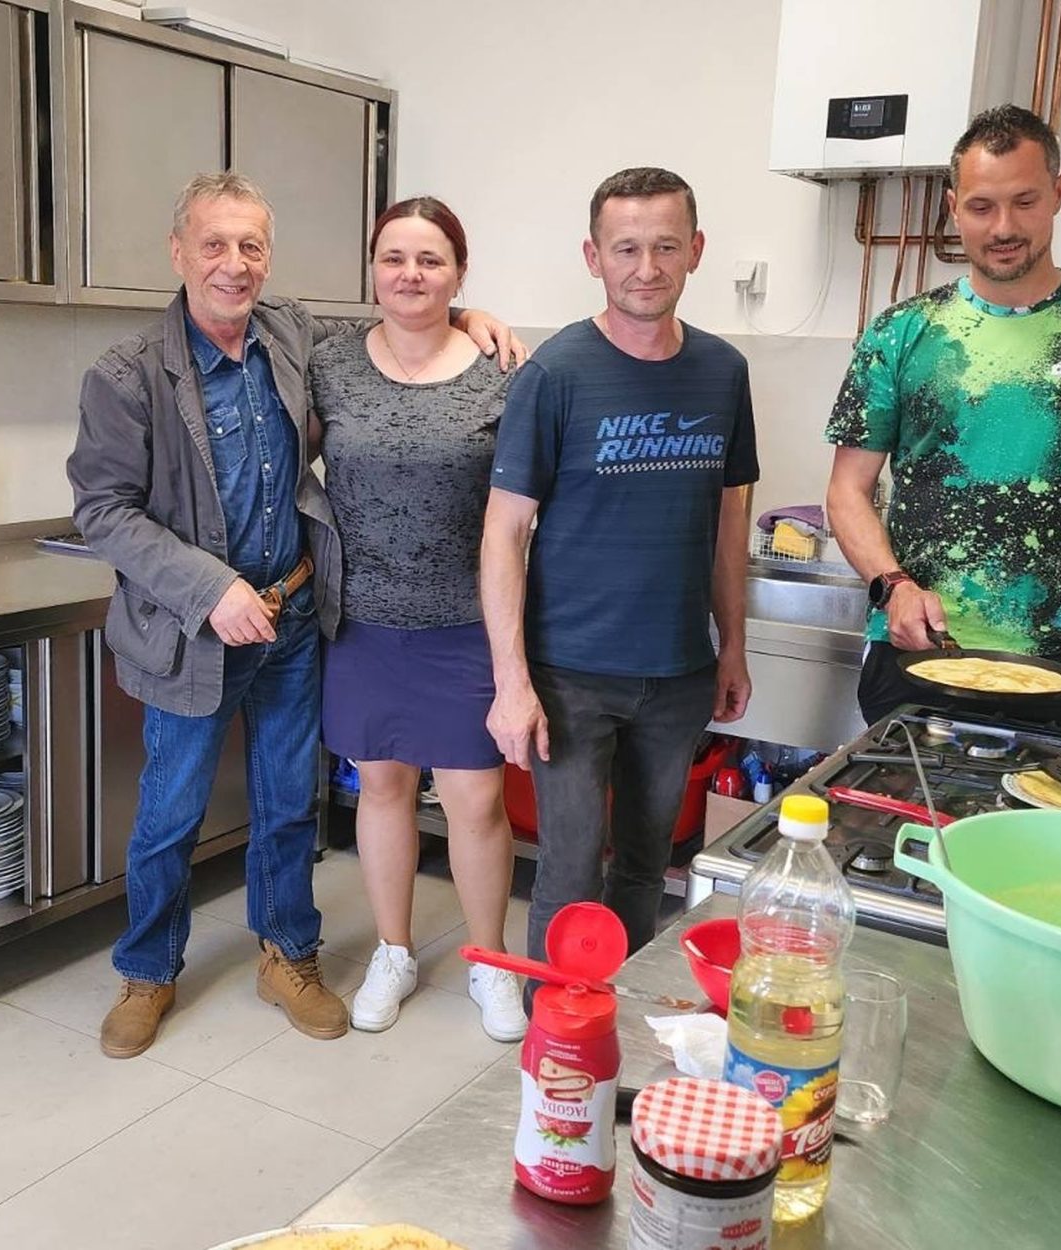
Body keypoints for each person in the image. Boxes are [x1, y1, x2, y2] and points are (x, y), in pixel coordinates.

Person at [68, 171, 520, 1058]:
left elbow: (406, 315)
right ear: (178, 252)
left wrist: (471, 317)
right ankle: (147, 972)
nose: (233, 265)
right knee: (170, 813)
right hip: (193, 631)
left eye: (251, 246)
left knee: (286, 805)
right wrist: (211, 590)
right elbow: (104, 511)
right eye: (214, 244)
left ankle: (287, 956)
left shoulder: (292, 335)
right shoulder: (127, 374)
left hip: (293, 616)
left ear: (268, 258)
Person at [825, 106, 1061, 727]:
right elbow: (847, 490)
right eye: (981, 207)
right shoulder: (901, 332)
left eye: (1025, 202)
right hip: (915, 654)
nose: (1003, 227)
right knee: (901, 797)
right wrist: (893, 585)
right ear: (954, 207)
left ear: (1059, 192)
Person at [480, 167, 759, 969]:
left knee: (646, 868)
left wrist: (732, 647)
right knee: (569, 874)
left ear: (695, 250)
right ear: (593, 256)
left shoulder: (724, 372)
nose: (646, 267)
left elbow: (729, 520)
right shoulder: (555, 374)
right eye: (626, 248)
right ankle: (553, 1027)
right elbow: (504, 533)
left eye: (665, 247)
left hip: (677, 673)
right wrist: (512, 681)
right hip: (572, 675)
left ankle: (622, 1019)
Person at [309, 196, 528, 1042]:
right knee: (382, 786)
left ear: (459, 273)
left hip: (468, 621)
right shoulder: (330, 363)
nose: (410, 274)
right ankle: (394, 951)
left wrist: (475, 321)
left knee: (476, 797)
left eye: (431, 260)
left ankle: (491, 961)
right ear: (372, 268)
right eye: (394, 257)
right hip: (363, 620)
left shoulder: (500, 369)